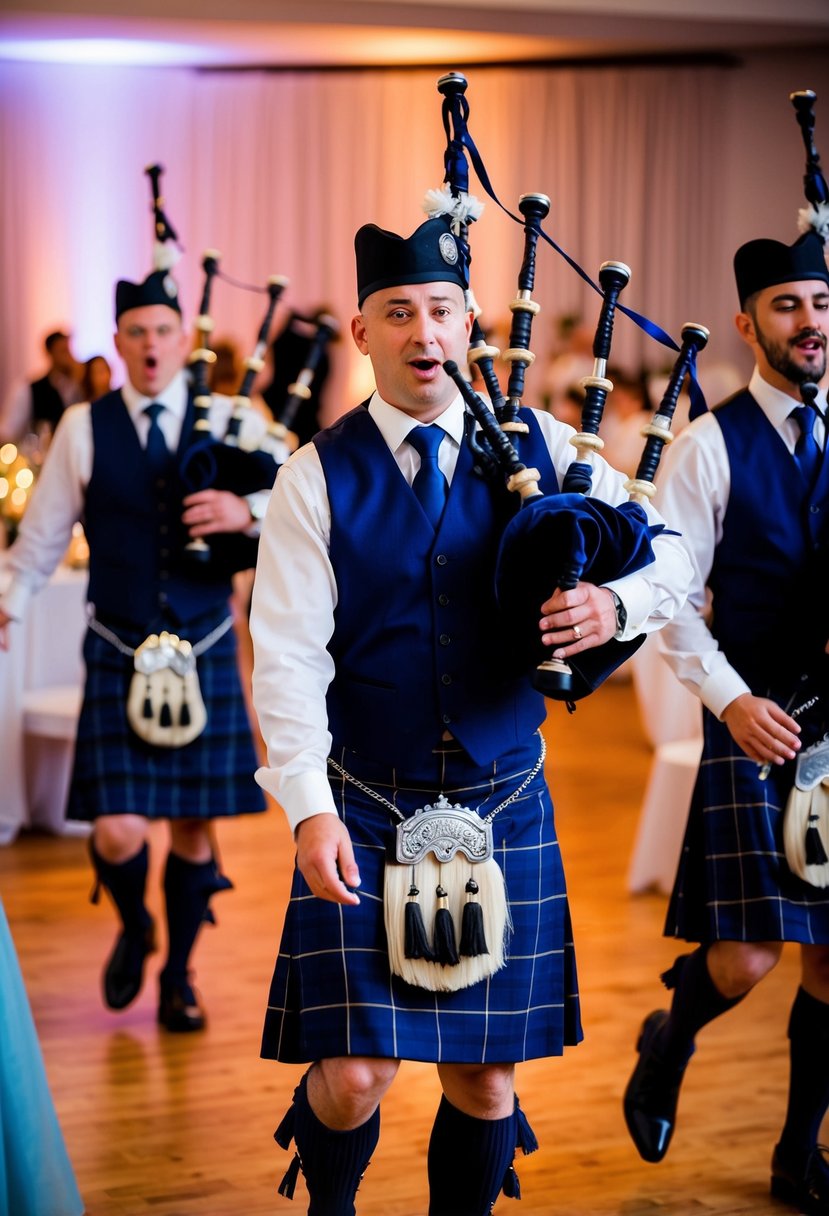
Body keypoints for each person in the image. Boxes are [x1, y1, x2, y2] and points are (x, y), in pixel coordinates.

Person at [249, 214, 693, 1215]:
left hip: (502, 797)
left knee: (485, 1079)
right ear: (362, 333)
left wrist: (612, 605)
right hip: (366, 793)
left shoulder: (539, 446)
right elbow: (283, 659)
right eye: (397, 312)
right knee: (357, 1072)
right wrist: (308, 807)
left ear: (470, 323)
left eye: (441, 309)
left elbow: (668, 552)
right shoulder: (312, 476)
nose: (424, 332)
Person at [0, 268, 286, 1033]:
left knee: (194, 829)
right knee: (117, 827)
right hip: (118, 643)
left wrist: (244, 506)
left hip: (205, 640)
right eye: (136, 332)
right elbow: (45, 533)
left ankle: (181, 975)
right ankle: (136, 925)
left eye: (163, 331)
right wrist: (11, 602)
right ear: (118, 344)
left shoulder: (226, 416)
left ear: (179, 340)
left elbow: (296, 494)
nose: (151, 345)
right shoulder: (84, 427)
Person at [622, 230, 829, 1214]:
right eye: (787, 306)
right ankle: (670, 1038)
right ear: (747, 324)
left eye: (821, 303)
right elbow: (666, 596)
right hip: (750, 717)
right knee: (748, 956)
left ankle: (796, 1155)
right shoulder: (709, 444)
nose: (809, 323)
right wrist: (730, 701)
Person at [0, 330, 82, 444]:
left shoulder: (79, 386)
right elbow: (8, 431)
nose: (69, 357)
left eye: (69, 350)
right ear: (50, 353)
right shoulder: (30, 389)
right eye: (63, 351)